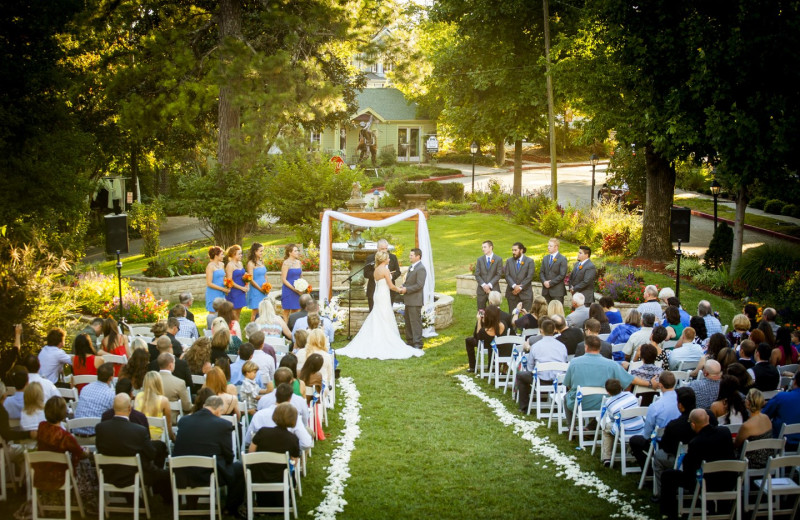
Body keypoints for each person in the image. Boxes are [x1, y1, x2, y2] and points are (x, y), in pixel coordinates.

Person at [172, 395, 244, 517]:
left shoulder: (184, 421)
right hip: (209, 475)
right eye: (221, 413)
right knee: (240, 468)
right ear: (217, 410)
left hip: (183, 474)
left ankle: (191, 503)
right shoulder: (223, 425)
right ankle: (230, 508)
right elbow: (228, 454)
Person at [660, 409, 735, 520]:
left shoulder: (696, 443)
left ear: (693, 424)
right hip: (729, 480)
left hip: (708, 484)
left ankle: (670, 513)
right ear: (708, 419)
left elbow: (688, 473)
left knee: (667, 475)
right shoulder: (725, 432)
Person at [564, 336, 658, 424]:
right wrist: (649, 383)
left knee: (566, 396)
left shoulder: (574, 362)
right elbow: (630, 379)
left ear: (586, 347)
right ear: (600, 348)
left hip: (579, 403)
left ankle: (571, 427)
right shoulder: (611, 364)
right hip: (604, 402)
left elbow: (568, 384)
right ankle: (592, 426)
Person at [96, 393, 171, 502]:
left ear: (113, 408)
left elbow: (100, 449)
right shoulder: (138, 431)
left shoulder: (101, 428)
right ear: (129, 408)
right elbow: (151, 454)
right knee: (167, 474)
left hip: (109, 474)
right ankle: (168, 503)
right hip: (134, 475)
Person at [247, 403, 303, 508]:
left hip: (259, 476)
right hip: (281, 477)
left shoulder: (262, 432)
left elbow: (251, 453)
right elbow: (294, 463)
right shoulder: (292, 439)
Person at [34, 396, 89, 492]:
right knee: (84, 463)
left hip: (41, 474)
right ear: (63, 414)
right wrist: (86, 450)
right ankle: (86, 492)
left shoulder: (41, 426)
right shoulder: (65, 437)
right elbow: (81, 454)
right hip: (60, 476)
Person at [629, 371, 680, 470]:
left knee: (634, 441)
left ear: (660, 385)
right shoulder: (682, 400)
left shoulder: (656, 406)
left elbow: (647, 434)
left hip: (661, 444)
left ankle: (647, 471)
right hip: (679, 442)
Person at [515, 319, 568, 413]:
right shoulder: (562, 346)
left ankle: (524, 406)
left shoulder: (536, 346)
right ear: (554, 330)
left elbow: (530, 368)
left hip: (541, 380)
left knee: (520, 375)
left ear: (541, 330)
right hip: (559, 380)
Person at [245, 384, 312, 449]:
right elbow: (306, 443)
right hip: (285, 455)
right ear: (290, 399)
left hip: (260, 455)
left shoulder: (259, 415)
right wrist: (293, 447)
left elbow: (248, 440)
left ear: (275, 396)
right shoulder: (292, 416)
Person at [600, 378, 644, 466]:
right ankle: (631, 452)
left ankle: (607, 457)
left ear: (608, 392)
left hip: (626, 431)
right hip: (640, 429)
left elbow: (614, 419)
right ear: (621, 387)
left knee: (606, 428)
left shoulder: (609, 403)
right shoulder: (630, 395)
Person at [735, 389, 778, 468]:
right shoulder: (766, 418)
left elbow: (736, 444)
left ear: (748, 403)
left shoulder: (747, 426)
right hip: (768, 458)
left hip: (751, 461)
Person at [72, 363, 115, 435]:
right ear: (111, 377)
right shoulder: (111, 394)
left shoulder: (85, 388)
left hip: (76, 432)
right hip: (95, 435)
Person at [763, 371, 800, 449]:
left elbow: (763, 416)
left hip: (781, 444)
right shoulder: (782, 397)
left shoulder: (782, 397)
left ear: (795, 381)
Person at [464, 304, 507, 373]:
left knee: (468, 340)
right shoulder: (503, 324)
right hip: (500, 346)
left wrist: (479, 321)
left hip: (486, 345)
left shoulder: (485, 331)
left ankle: (472, 366)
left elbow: (477, 337)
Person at [134, 371, 175, 442]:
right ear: (159, 383)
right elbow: (168, 425)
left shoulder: (138, 396)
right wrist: (173, 438)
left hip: (139, 435)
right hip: (157, 438)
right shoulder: (164, 400)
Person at [401, 248, 428, 351]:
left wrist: (406, 289)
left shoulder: (421, 268)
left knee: (415, 321)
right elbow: (409, 282)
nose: (409, 257)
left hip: (415, 300)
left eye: (411, 255)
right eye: (410, 255)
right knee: (408, 321)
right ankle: (410, 340)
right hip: (408, 299)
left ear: (418, 256)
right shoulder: (411, 267)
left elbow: (419, 285)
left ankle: (418, 342)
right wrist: (403, 286)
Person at [364, 239, 401, 311]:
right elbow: (366, 273)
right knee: (373, 312)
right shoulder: (371, 258)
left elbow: (398, 272)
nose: (384, 250)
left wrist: (390, 276)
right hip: (374, 290)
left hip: (389, 292)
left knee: (387, 312)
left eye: (386, 248)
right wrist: (380, 276)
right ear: (377, 248)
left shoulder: (392, 257)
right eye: (382, 249)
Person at [504, 242, 535, 314]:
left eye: (515, 250)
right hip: (512, 293)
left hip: (526, 294)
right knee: (513, 316)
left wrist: (520, 288)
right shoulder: (509, 261)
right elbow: (507, 275)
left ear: (521, 250)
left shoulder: (529, 261)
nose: (513, 252)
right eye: (512, 250)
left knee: (526, 317)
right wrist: (514, 286)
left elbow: (529, 276)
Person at [474, 240, 503, 310]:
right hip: (481, 290)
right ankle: (481, 321)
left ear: (490, 247)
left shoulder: (498, 259)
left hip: (494, 290)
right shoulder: (480, 259)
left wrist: (489, 285)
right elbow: (477, 274)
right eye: (482, 247)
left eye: (484, 247)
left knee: (494, 311)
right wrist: (484, 285)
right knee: (481, 311)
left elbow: (499, 274)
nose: (483, 249)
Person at [540, 238, 568, 304]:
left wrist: (550, 283)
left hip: (557, 292)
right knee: (545, 312)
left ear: (556, 247)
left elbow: (562, 275)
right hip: (546, 291)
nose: (548, 247)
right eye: (548, 245)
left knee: (556, 313)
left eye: (550, 246)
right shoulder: (545, 258)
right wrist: (544, 282)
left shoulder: (562, 259)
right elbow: (541, 272)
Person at [224, 244, 248, 321]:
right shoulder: (230, 265)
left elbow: (243, 276)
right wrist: (242, 288)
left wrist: (247, 283)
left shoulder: (240, 263)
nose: (241, 255)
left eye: (241, 253)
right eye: (239, 254)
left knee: (239, 312)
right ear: (233, 255)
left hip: (242, 290)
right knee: (233, 313)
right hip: (234, 291)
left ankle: (236, 329)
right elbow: (229, 281)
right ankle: (232, 330)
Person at [280, 243, 304, 322]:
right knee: (286, 311)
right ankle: (285, 332)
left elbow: (301, 276)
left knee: (296, 311)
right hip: (288, 289)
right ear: (290, 252)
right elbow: (284, 279)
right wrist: (294, 289)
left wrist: (303, 286)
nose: (297, 252)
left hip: (298, 290)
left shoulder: (299, 262)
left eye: (297, 250)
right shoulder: (286, 263)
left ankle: (294, 330)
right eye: (295, 251)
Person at [246, 242, 268, 321]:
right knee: (255, 311)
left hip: (264, 289)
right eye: (260, 251)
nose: (262, 253)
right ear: (255, 251)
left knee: (264, 310)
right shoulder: (250, 263)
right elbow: (251, 279)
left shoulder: (262, 262)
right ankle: (252, 329)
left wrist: (267, 286)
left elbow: (265, 275)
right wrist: (260, 289)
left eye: (263, 251)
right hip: (256, 289)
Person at [206, 246, 229, 316]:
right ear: (216, 255)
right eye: (222, 254)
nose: (223, 256)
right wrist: (222, 289)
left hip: (222, 292)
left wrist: (227, 284)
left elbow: (222, 278)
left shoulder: (222, 264)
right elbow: (209, 283)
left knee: (223, 313)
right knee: (213, 314)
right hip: (213, 292)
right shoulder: (210, 266)